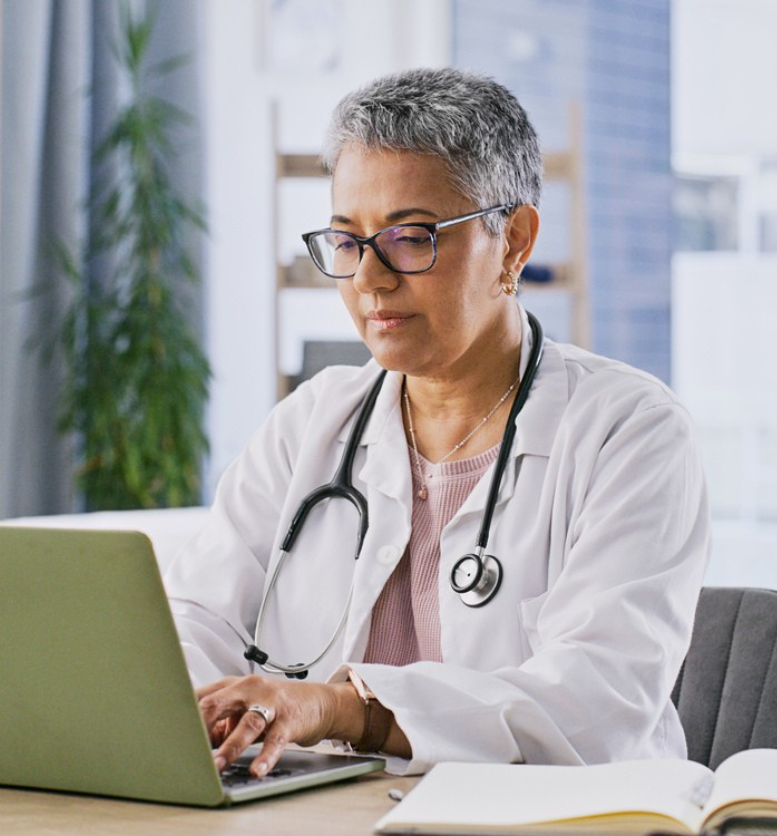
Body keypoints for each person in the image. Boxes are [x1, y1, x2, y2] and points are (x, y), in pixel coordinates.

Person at [163, 67, 710, 779]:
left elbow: (595, 703)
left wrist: (342, 708)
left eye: (411, 238)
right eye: (347, 240)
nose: (369, 278)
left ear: (513, 241)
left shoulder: (629, 432)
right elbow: (196, 620)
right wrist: (182, 706)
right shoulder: (311, 426)